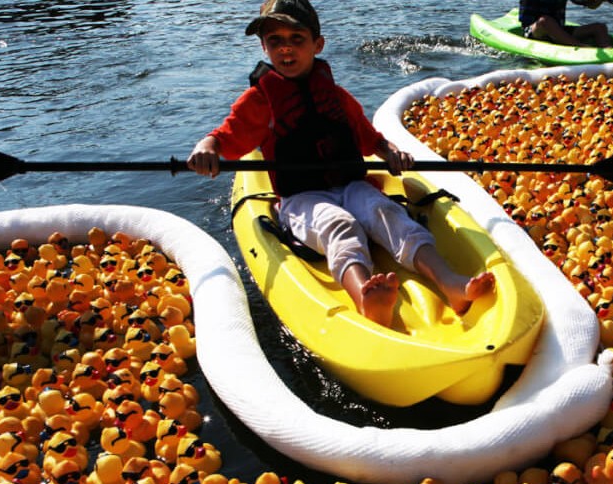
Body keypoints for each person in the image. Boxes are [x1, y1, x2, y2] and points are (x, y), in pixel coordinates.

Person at [188, 0, 494, 327]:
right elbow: (225, 134)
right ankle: (365, 295)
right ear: (264, 46)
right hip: (302, 199)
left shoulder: (335, 94)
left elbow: (368, 136)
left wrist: (389, 151)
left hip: (352, 185)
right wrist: (208, 147)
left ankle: (451, 282)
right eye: (275, 40)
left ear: (317, 44)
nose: (286, 49)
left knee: (387, 212)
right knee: (338, 223)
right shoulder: (260, 100)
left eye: (297, 38)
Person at [519, 0, 613, 48]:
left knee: (600, 28)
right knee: (546, 21)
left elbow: (591, 5)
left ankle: (609, 51)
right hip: (534, 30)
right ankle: (582, 47)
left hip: (559, 30)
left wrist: (598, 1)